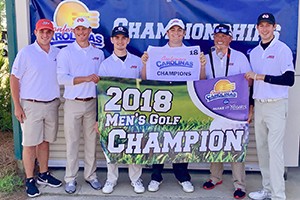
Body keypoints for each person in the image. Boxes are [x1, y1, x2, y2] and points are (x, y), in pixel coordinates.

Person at [141, 18, 206, 193]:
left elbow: (200, 80)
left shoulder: (192, 53)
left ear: (184, 33)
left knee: (182, 139)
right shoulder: (156, 52)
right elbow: (145, 80)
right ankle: (156, 176)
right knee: (159, 138)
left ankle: (182, 176)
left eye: (179, 30)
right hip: (161, 102)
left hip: (184, 101)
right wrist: (145, 63)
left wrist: (201, 66)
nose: (176, 33)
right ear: (167, 33)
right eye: (172, 30)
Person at [10, 19, 62, 198]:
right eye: (42, 31)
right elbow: (14, 79)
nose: (45, 35)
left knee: (45, 141)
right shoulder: (26, 53)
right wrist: (17, 106)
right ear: (35, 32)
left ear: (53, 33)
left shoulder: (57, 53)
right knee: (30, 143)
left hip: (51, 104)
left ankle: (44, 174)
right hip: (31, 105)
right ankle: (30, 179)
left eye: (48, 32)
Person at [246, 13, 294, 200]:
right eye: (261, 25)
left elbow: (289, 79)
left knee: (275, 151)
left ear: (274, 27)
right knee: (262, 150)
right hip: (260, 105)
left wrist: (261, 76)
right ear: (257, 28)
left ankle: (278, 195)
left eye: (268, 25)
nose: (265, 29)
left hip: (276, 105)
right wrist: (251, 106)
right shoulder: (255, 51)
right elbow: (251, 84)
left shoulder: (282, 49)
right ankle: (267, 189)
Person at [202, 24, 253, 199]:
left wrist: (249, 108)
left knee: (236, 146)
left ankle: (240, 185)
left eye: (224, 36)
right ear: (214, 38)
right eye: (217, 36)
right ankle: (215, 177)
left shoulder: (239, 57)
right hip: (213, 109)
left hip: (236, 110)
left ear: (230, 39)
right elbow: (201, 81)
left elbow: (250, 84)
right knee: (215, 142)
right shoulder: (206, 58)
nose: (220, 39)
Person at [57, 16, 105, 194]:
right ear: (73, 31)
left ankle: (91, 176)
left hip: (91, 103)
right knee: (72, 142)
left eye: (84, 29)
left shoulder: (98, 53)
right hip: (72, 103)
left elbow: (102, 81)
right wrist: (85, 78)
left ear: (90, 31)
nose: (81, 32)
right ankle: (70, 179)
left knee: (92, 142)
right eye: (78, 29)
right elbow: (62, 79)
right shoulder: (66, 52)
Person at [98, 25, 145, 194]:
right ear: (111, 40)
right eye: (116, 38)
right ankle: (111, 179)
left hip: (133, 113)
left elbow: (145, 86)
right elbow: (101, 92)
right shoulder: (105, 64)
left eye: (123, 38)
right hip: (112, 114)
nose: (120, 41)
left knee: (134, 146)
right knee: (112, 145)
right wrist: (100, 118)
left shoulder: (137, 61)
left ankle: (136, 178)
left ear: (128, 40)